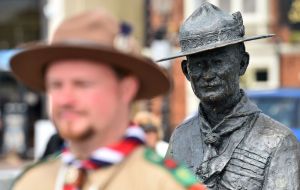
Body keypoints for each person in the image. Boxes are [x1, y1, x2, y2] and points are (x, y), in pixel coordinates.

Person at [10, 9, 206, 190]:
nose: (65, 99)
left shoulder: (165, 185)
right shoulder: (32, 183)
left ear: (126, 89)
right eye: (56, 85)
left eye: (82, 84)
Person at [158, 2, 300, 190]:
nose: (208, 75)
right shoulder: (181, 138)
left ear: (242, 63)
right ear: (186, 71)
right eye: (199, 65)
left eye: (218, 62)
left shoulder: (277, 142)